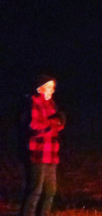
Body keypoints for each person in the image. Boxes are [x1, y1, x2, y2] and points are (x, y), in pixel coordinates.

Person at [19, 74, 65, 216]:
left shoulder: (51, 104)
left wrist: (59, 122)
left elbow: (58, 125)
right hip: (38, 153)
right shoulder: (33, 103)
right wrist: (53, 123)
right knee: (35, 191)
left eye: (53, 88)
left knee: (50, 191)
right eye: (49, 87)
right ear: (40, 89)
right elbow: (33, 126)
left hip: (51, 152)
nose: (52, 90)